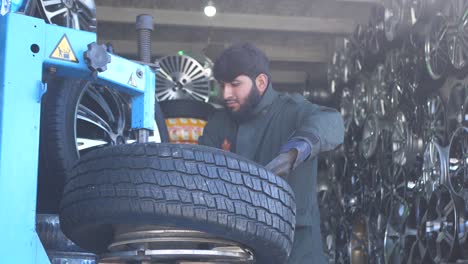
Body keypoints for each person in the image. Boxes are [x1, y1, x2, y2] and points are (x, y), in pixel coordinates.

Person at [198, 42, 344, 263]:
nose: (226, 93)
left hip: (297, 250)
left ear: (261, 82)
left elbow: (331, 122)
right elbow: (199, 172)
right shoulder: (218, 124)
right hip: (234, 247)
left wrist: (295, 152)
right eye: (222, 85)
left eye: (235, 84)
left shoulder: (292, 109)